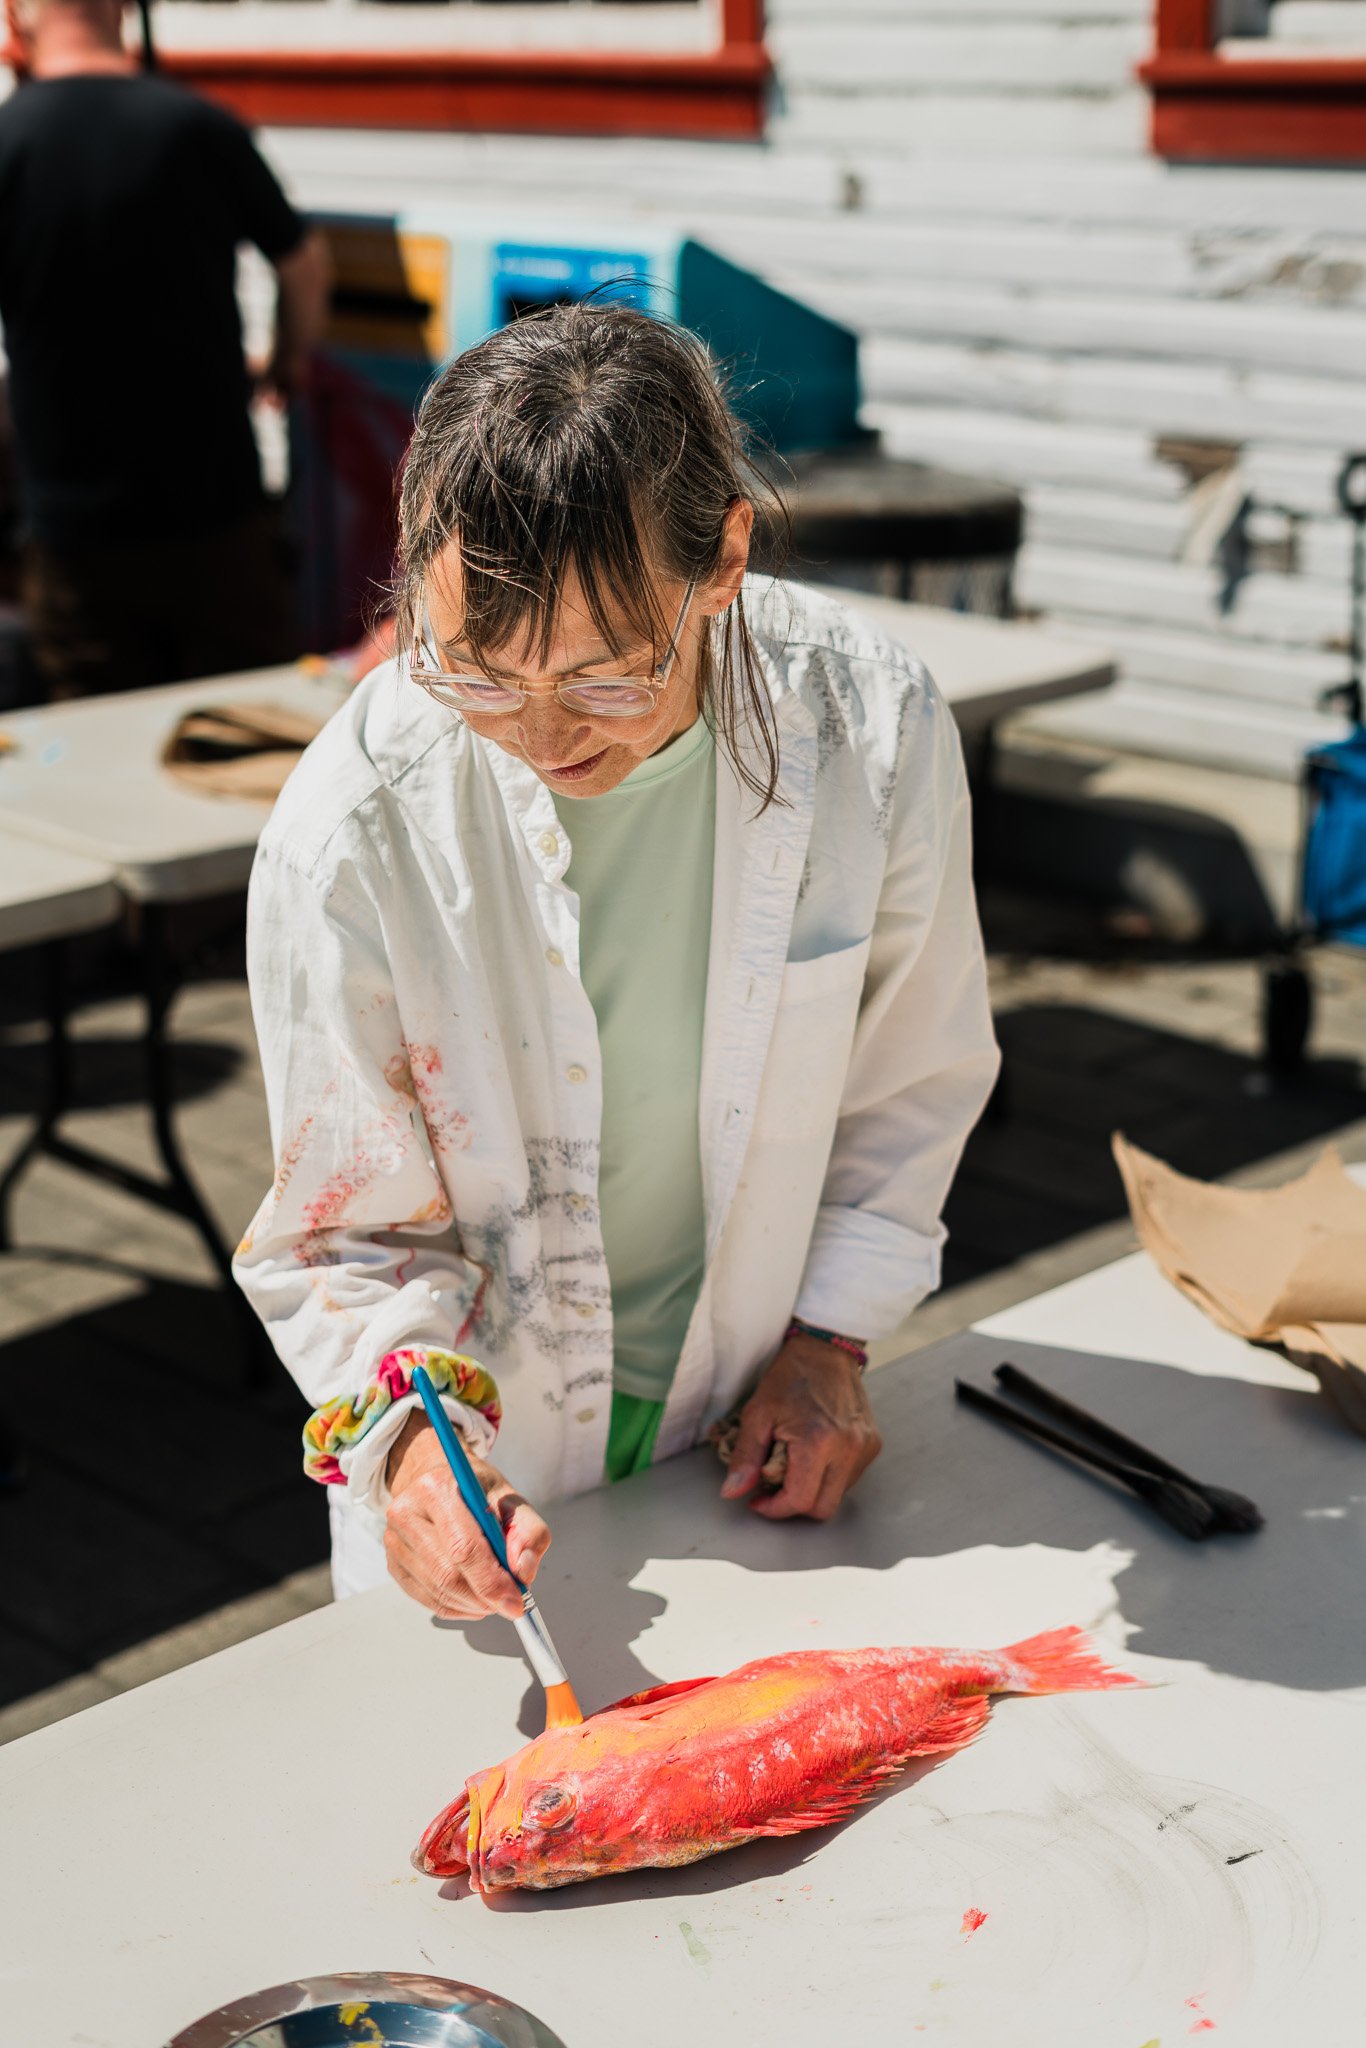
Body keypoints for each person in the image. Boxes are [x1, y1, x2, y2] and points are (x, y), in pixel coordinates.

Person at [234, 305, 1000, 1616]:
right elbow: (342, 1226)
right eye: (473, 671)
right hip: (487, 1466)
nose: (538, 735)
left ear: (724, 563)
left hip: (756, 1428)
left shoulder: (866, 729)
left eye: (602, 680)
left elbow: (906, 1081)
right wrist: (416, 1454)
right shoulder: (354, 827)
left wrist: (826, 1342)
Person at [0, 0, 330, 698]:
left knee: (95, 762)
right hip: (217, 515)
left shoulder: (9, 137)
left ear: (18, 17)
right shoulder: (196, 124)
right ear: (120, 9)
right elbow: (303, 264)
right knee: (246, 734)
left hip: (73, 531)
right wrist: (284, 361)